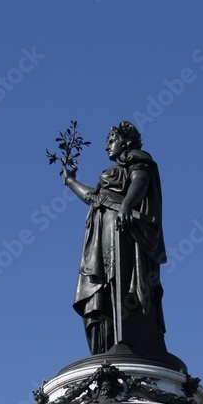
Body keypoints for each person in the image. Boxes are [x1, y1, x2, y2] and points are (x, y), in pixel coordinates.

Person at [63, 121, 169, 360]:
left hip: (122, 229)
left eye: (111, 141)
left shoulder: (138, 159)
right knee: (105, 284)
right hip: (102, 232)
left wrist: (126, 206)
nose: (106, 147)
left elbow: (140, 183)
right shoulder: (117, 171)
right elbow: (93, 197)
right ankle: (110, 339)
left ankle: (128, 337)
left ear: (126, 141)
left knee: (119, 276)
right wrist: (70, 182)